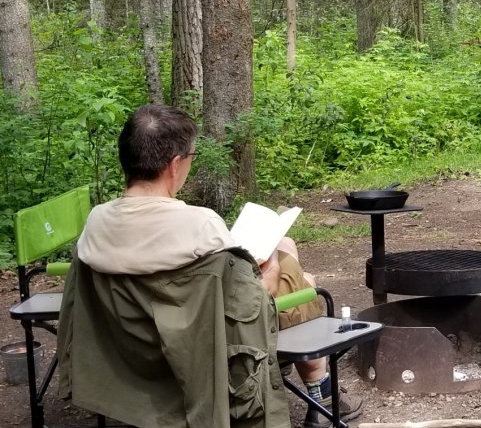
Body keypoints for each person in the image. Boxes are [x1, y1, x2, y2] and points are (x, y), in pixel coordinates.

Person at [73, 104, 361, 427]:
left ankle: (309, 379)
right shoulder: (200, 225)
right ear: (175, 164)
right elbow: (253, 302)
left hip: (131, 350)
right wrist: (272, 266)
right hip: (206, 350)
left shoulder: (95, 224)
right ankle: (320, 388)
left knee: (289, 254)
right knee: (300, 276)